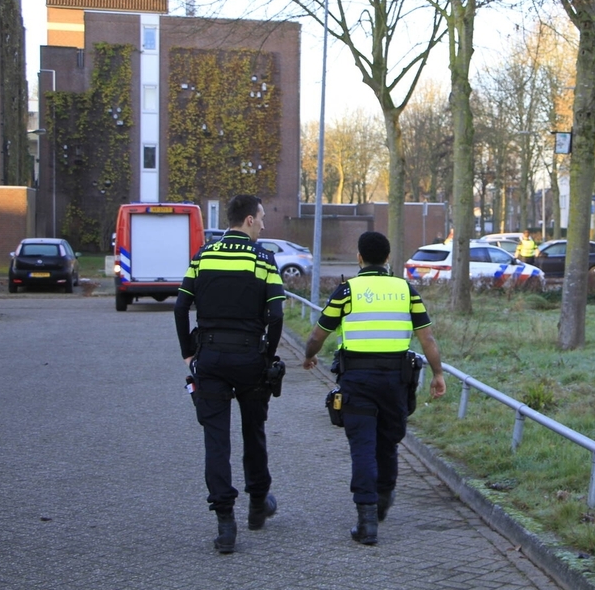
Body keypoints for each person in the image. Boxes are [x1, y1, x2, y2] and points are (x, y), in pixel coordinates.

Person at [303, 231, 446, 545]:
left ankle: (367, 521)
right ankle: (383, 498)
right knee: (388, 443)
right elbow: (428, 339)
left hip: (357, 382)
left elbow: (318, 335)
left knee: (363, 448)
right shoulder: (406, 290)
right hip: (396, 383)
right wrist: (438, 374)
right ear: (388, 259)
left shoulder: (346, 291)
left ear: (359, 258)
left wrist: (309, 356)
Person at [174, 194, 285, 553]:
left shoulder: (202, 256)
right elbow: (277, 315)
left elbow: (180, 306)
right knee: (254, 432)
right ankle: (257, 503)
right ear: (249, 220)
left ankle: (225, 522)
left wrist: (188, 353)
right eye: (262, 218)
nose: (265, 225)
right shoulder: (263, 259)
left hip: (210, 358)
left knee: (216, 441)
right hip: (250, 358)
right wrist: (267, 356)